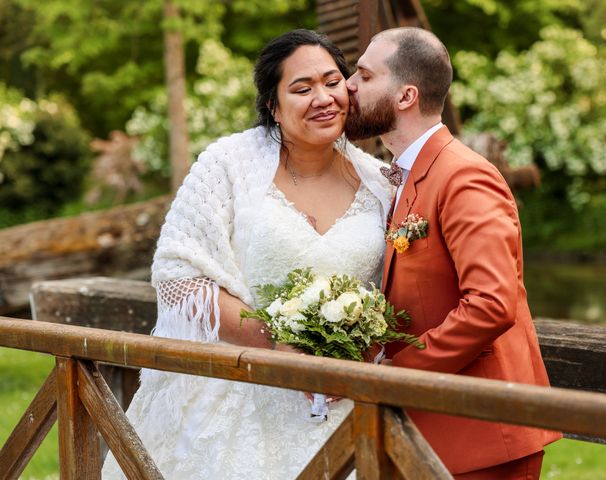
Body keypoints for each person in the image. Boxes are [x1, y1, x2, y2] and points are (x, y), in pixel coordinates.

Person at [101, 29, 393, 479]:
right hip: (237, 395)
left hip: (344, 401)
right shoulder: (227, 164)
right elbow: (180, 274)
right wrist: (275, 342)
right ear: (273, 106)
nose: (324, 98)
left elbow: (396, 289)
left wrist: (360, 350)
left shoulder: (380, 183)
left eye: (333, 82)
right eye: (302, 88)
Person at [345, 27, 561, 479]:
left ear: (405, 96)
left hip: (484, 435)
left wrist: (396, 373)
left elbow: (491, 305)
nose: (348, 86)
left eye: (364, 76)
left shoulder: (463, 176)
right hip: (436, 431)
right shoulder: (409, 173)